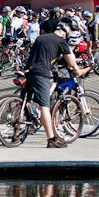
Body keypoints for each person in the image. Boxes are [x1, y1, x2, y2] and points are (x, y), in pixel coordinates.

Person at [24, 19, 87, 148]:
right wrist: (86, 69)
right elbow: (73, 65)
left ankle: (17, 131)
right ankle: (51, 139)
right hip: (42, 74)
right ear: (67, 31)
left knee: (25, 101)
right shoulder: (61, 42)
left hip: (28, 71)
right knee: (44, 106)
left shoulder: (41, 37)